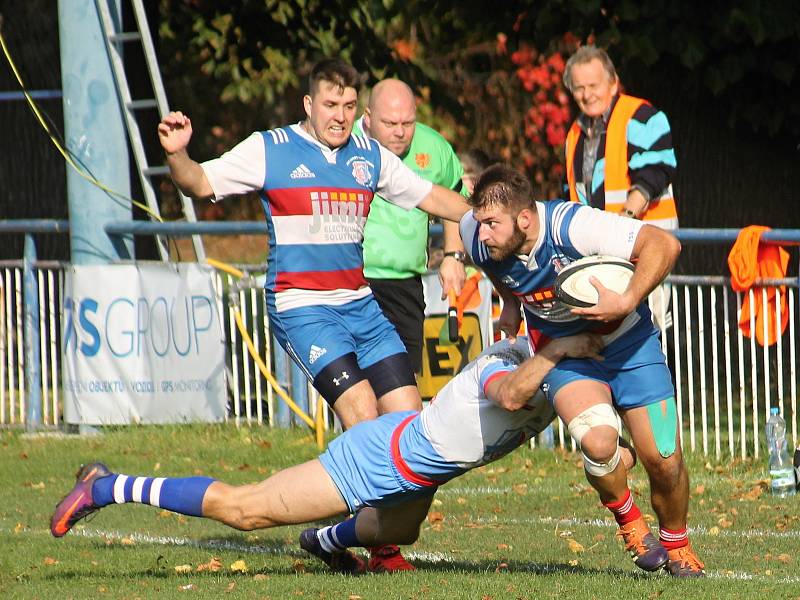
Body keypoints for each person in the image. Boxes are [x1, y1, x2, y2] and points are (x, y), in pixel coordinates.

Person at [157, 58, 470, 572]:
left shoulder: (370, 156)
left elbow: (431, 197)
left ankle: (333, 536)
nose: (340, 116)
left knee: (410, 425)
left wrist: (487, 215)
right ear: (308, 104)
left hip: (361, 306)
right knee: (364, 418)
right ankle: (380, 548)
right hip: (303, 309)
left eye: (349, 106)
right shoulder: (271, 150)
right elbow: (197, 183)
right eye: (331, 105)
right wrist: (178, 154)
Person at [50, 333, 607, 574]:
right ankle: (106, 483)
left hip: (420, 469)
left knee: (401, 533)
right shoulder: (510, 367)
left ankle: (323, 539)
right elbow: (511, 394)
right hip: (376, 458)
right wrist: (560, 346)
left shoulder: (562, 373)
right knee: (245, 511)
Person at [460, 164, 704, 578]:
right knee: (597, 441)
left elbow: (663, 244)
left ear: (524, 218)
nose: (481, 232)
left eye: (491, 224)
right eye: (480, 222)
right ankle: (630, 522)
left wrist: (627, 300)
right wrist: (512, 302)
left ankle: (677, 542)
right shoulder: (477, 233)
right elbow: (490, 263)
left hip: (630, 343)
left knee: (665, 461)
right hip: (566, 355)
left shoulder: (575, 225)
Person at [354, 79, 467, 374]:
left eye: (408, 122)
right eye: (390, 123)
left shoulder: (433, 146)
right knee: (360, 384)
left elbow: (455, 197)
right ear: (367, 117)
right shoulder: (344, 142)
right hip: (353, 280)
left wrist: (453, 256)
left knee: (404, 381)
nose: (400, 132)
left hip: (405, 285)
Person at [562, 45, 678, 330]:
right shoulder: (575, 133)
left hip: (645, 247)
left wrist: (625, 218)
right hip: (598, 254)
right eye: (579, 88)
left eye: (593, 85)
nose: (587, 94)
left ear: (613, 83)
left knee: (654, 331)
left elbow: (655, 172)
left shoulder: (641, 115)